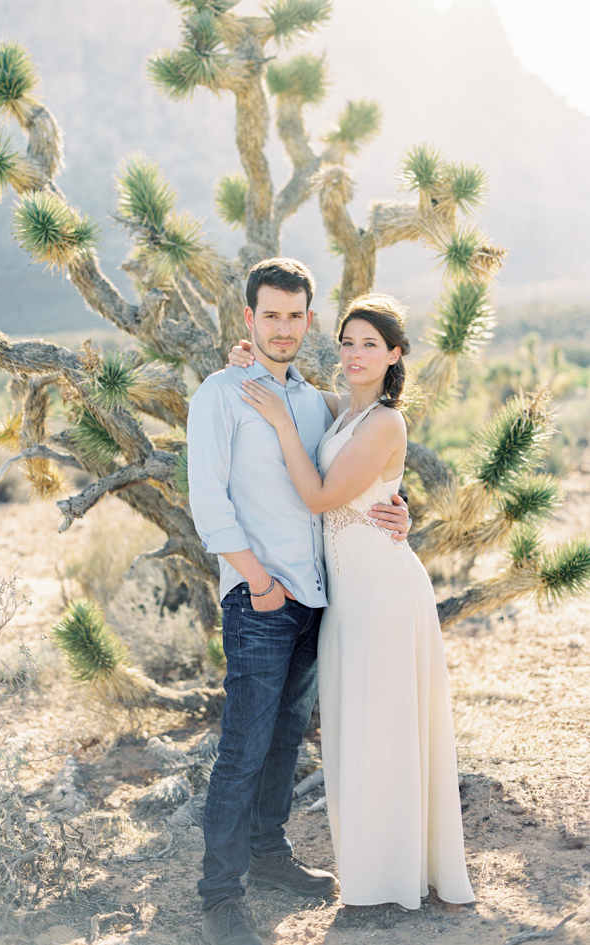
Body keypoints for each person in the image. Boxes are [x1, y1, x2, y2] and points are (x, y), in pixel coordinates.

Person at [186, 259, 410, 945]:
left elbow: (345, 476)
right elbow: (207, 501)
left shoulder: (313, 403)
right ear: (249, 319)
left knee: (285, 739)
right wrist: (255, 577)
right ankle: (221, 893)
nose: (282, 327)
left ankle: (268, 852)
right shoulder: (220, 394)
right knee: (244, 746)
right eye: (270, 315)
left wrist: (402, 508)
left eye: (294, 315)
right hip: (260, 596)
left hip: (314, 596)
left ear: (308, 320)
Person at [238, 293, 475, 910]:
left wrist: (285, 428)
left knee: (388, 729)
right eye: (347, 342)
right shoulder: (343, 409)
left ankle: (398, 879)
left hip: (384, 593)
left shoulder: (386, 422)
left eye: (371, 344)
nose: (355, 353)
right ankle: (378, 873)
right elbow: (295, 392)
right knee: (361, 731)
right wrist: (252, 359)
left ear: (395, 355)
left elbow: (319, 497)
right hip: (349, 598)